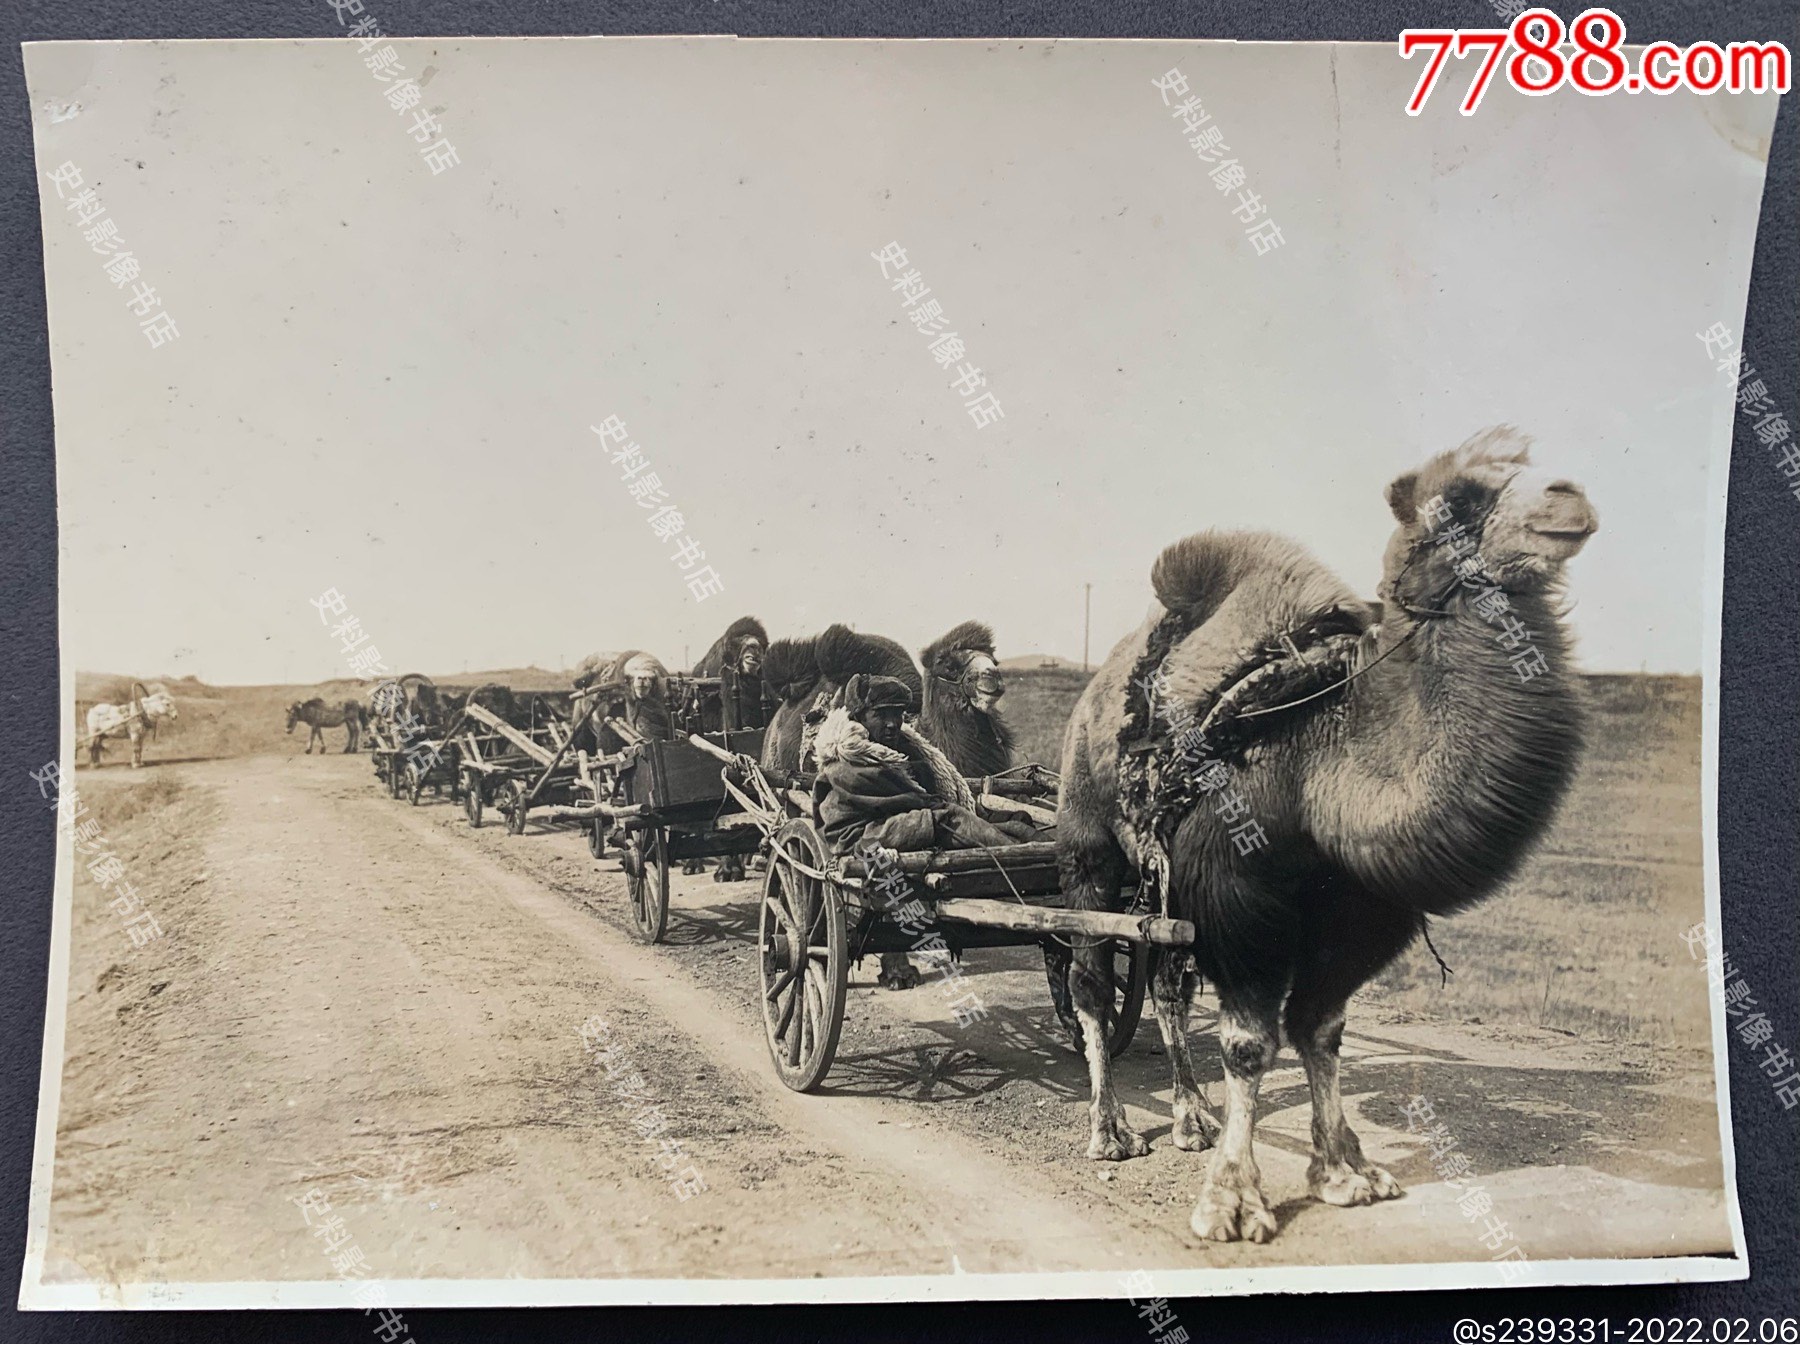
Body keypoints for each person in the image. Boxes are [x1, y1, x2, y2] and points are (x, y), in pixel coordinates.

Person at [813, 673, 1032, 855]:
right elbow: (909, 801)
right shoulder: (847, 760)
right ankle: (1025, 858)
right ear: (859, 717)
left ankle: (1043, 852)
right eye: (880, 714)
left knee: (1017, 823)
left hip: (901, 823)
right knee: (949, 818)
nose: (892, 724)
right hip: (865, 839)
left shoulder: (905, 749)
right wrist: (935, 809)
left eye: (897, 714)